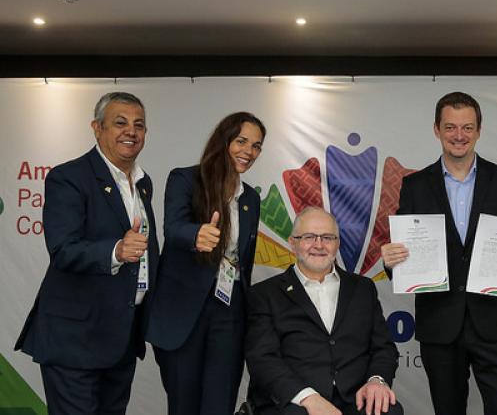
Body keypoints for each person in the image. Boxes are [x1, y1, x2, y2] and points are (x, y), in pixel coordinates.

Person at [380, 92, 497, 415]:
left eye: (467, 127)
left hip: (494, 322)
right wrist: (392, 262)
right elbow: (404, 255)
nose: (459, 135)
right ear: (436, 129)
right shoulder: (415, 185)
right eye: (450, 127)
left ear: (479, 130)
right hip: (440, 324)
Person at [14, 92, 158, 415]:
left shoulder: (143, 183)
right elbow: (63, 249)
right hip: (75, 341)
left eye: (139, 125)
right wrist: (116, 250)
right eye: (120, 123)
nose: (131, 131)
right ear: (97, 128)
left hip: (121, 339)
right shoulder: (68, 177)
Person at [146, 112, 265, 415]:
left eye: (256, 146)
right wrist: (196, 234)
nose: (249, 151)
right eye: (241, 141)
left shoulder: (250, 199)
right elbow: (173, 228)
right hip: (184, 312)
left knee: (220, 403)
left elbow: (244, 262)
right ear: (224, 141)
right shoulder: (185, 179)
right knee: (184, 405)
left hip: (229, 311)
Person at [245, 207, 402, 415]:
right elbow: (262, 359)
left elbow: (384, 348)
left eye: (328, 238)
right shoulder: (265, 294)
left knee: (388, 410)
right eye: (309, 237)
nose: (319, 245)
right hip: (294, 402)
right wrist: (307, 397)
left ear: (338, 243)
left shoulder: (363, 288)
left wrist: (377, 380)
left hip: (355, 399)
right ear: (293, 243)